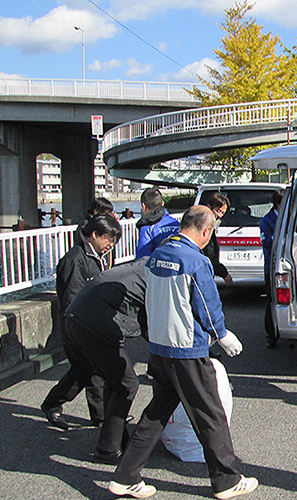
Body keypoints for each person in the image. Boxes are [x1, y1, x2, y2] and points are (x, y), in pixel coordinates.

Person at [108, 206, 257, 500]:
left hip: (161, 347)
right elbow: (206, 304)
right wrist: (222, 334)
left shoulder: (159, 255)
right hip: (187, 349)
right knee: (210, 414)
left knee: (156, 414)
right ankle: (226, 480)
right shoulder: (195, 261)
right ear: (205, 231)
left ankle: (125, 476)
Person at [61, 259, 148, 464]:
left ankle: (118, 438)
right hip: (93, 323)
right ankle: (107, 449)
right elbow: (149, 322)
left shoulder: (139, 266)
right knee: (127, 383)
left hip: (74, 318)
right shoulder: (155, 276)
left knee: (115, 379)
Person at [41, 214, 122, 430]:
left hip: (88, 324)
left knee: (85, 371)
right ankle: (98, 417)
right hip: (77, 326)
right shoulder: (75, 259)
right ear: (95, 235)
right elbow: (72, 298)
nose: (110, 245)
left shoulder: (94, 256)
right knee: (90, 371)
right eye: (109, 240)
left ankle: (57, 405)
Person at [260, 188, 284, 348]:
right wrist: (281, 235)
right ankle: (271, 335)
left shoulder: (290, 216)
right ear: (277, 204)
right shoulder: (266, 221)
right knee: (271, 301)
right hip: (272, 266)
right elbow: (266, 242)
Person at [136, 187, 181, 258]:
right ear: (162, 203)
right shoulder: (176, 223)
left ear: (144, 206)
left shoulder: (147, 228)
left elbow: (143, 258)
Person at [201, 192, 235, 287]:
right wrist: (224, 274)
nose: (219, 216)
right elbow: (210, 256)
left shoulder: (211, 228)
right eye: (218, 211)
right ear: (209, 207)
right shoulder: (203, 228)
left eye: (223, 213)